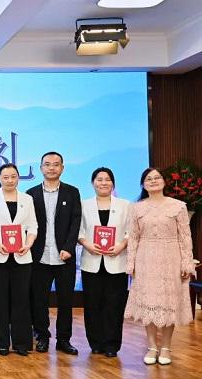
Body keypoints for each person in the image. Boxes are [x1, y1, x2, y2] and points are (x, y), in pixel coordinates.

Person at [124, 167, 195, 366]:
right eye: (149, 178)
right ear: (143, 184)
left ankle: (166, 347)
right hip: (145, 258)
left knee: (167, 304)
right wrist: (131, 263)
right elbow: (134, 237)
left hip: (171, 258)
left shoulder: (178, 206)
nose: (153, 181)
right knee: (150, 303)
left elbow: (185, 237)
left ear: (164, 182)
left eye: (157, 178)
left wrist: (186, 262)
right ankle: (152, 346)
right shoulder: (136, 208)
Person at [0, 163, 37, 356]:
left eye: (13, 176)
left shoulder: (27, 199)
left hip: (22, 256)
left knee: (21, 300)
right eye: (5, 177)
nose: (10, 180)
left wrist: (28, 244)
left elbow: (33, 226)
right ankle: (0, 342)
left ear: (18, 178)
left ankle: (21, 343)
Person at [26, 151, 81, 355]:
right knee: (39, 299)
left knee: (66, 300)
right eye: (47, 164)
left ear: (62, 168)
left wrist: (68, 247)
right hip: (39, 255)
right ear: (40, 168)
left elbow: (76, 222)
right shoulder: (31, 194)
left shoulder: (72, 192)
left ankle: (64, 339)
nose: (51, 168)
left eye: (55, 164)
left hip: (64, 256)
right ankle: (42, 336)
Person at [77, 167, 130, 358]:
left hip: (117, 261)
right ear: (93, 183)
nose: (103, 183)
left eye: (107, 179)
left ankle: (111, 344)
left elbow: (131, 230)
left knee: (114, 304)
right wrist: (86, 244)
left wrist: (122, 245)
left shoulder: (125, 205)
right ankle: (96, 342)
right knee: (92, 304)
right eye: (99, 179)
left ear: (113, 183)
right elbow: (79, 230)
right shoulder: (84, 205)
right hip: (91, 260)